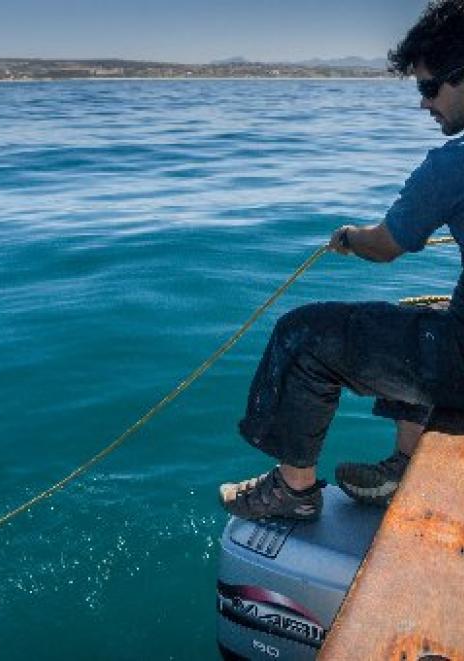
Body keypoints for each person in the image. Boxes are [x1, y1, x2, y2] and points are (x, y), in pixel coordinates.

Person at [220, 0, 464, 521]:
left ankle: (293, 489)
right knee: (420, 323)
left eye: (429, 87)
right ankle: (405, 462)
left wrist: (349, 237)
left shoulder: (453, 165)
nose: (424, 104)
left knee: (303, 334)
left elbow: (385, 245)